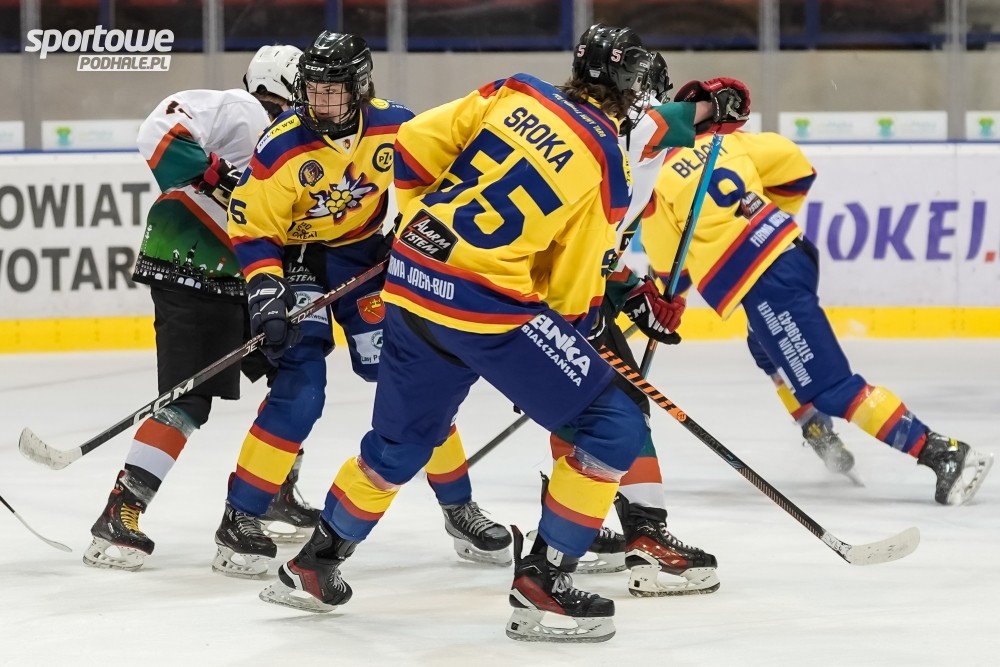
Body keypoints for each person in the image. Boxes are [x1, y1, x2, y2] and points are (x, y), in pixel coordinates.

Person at [259, 25, 696, 644]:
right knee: (614, 423)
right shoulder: (608, 164)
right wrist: (567, 343)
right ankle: (544, 585)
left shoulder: (516, 90)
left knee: (400, 443)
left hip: (412, 276)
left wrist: (425, 225)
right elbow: (572, 288)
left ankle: (313, 565)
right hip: (485, 307)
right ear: (630, 90)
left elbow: (414, 144)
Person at [216, 31, 511, 580]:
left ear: (361, 87)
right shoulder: (281, 145)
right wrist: (265, 291)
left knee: (415, 381)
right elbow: (252, 227)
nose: (320, 102)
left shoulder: (397, 124)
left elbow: (452, 175)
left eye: (333, 91)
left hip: (363, 258)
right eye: (313, 90)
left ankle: (459, 507)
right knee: (301, 389)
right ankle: (241, 515)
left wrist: (418, 223)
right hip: (298, 262)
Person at [640, 128, 994, 506]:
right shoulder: (720, 140)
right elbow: (796, 170)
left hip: (767, 283)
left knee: (832, 390)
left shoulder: (655, 183)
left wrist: (665, 306)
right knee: (763, 346)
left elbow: (670, 272)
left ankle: (944, 454)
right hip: (793, 254)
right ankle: (817, 430)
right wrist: (763, 226)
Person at [83, 44, 307, 571]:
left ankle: (272, 491)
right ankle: (120, 511)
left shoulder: (298, 146)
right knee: (189, 399)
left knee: (297, 376)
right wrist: (212, 174)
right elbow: (158, 131)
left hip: (247, 280)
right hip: (190, 267)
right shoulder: (244, 111)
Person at [545, 51, 750, 596]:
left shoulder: (563, 124)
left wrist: (627, 288)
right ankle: (646, 540)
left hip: (533, 292)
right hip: (561, 300)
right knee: (623, 412)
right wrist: (710, 104)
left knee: (573, 414)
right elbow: (663, 122)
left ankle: (571, 533)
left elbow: (585, 241)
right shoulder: (626, 129)